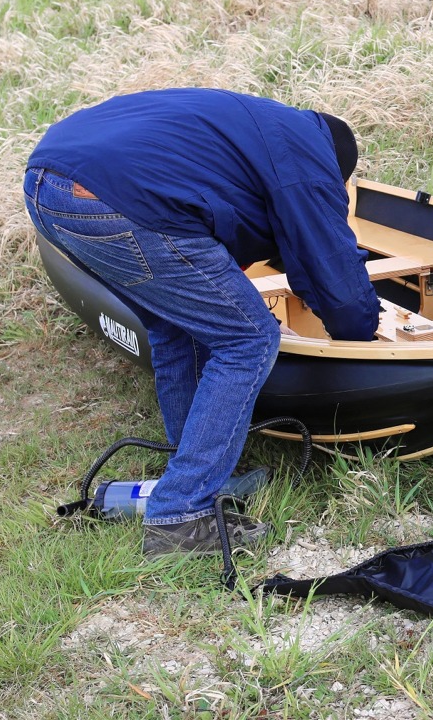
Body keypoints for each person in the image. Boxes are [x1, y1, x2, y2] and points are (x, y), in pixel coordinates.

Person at [24, 88, 380, 556]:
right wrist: (360, 331)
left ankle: (192, 470)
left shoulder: (258, 124)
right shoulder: (307, 159)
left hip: (47, 184)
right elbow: (331, 265)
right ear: (336, 166)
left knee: (177, 330)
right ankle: (181, 514)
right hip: (119, 200)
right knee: (248, 339)